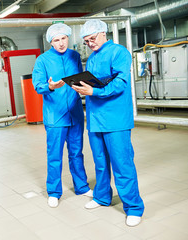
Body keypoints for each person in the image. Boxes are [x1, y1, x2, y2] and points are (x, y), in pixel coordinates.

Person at [72, 19, 145, 227]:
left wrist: (94, 91)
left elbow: (121, 83)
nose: (90, 43)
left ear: (103, 33)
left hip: (115, 119)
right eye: (86, 41)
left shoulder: (119, 52)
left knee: (122, 164)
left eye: (92, 39)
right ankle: (102, 196)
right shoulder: (93, 58)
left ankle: (133, 207)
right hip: (95, 119)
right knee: (101, 163)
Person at [32, 23, 93, 208]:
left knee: (76, 153)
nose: (61, 43)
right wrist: (50, 86)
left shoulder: (74, 55)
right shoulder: (42, 60)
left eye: (63, 39)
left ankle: (81, 187)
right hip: (55, 115)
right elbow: (37, 85)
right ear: (51, 42)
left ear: (68, 38)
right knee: (55, 155)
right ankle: (54, 191)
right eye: (56, 40)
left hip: (74, 113)